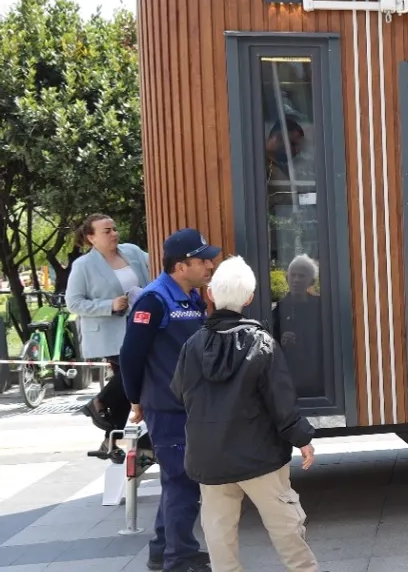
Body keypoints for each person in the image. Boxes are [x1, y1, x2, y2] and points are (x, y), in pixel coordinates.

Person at [171, 257, 319, 572]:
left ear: (210, 294)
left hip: (209, 457)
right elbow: (281, 401)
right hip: (259, 454)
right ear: (249, 298)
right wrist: (302, 438)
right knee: (285, 525)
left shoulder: (192, 346)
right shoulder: (263, 343)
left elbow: (179, 393)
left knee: (218, 534)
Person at [120, 228, 220, 572]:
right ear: (180, 266)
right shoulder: (154, 300)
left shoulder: (189, 297)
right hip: (168, 408)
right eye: (202, 260)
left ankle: (163, 550)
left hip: (188, 405)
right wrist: (135, 399)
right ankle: (179, 560)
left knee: (178, 481)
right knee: (181, 482)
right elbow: (131, 355)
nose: (210, 265)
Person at [66, 214, 151, 453]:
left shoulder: (132, 252)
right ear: (91, 238)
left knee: (128, 382)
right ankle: (101, 403)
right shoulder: (83, 265)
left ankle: (109, 438)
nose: (114, 233)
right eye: (107, 231)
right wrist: (109, 305)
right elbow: (74, 303)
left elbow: (157, 266)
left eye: (114, 229)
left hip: (140, 328)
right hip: (110, 333)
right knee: (133, 374)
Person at [272, 255, 323, 398]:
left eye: (301, 276)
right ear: (286, 278)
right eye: (293, 275)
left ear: (311, 281)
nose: (296, 280)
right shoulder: (278, 310)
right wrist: (281, 340)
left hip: (318, 381)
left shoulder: (321, 307)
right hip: (288, 379)